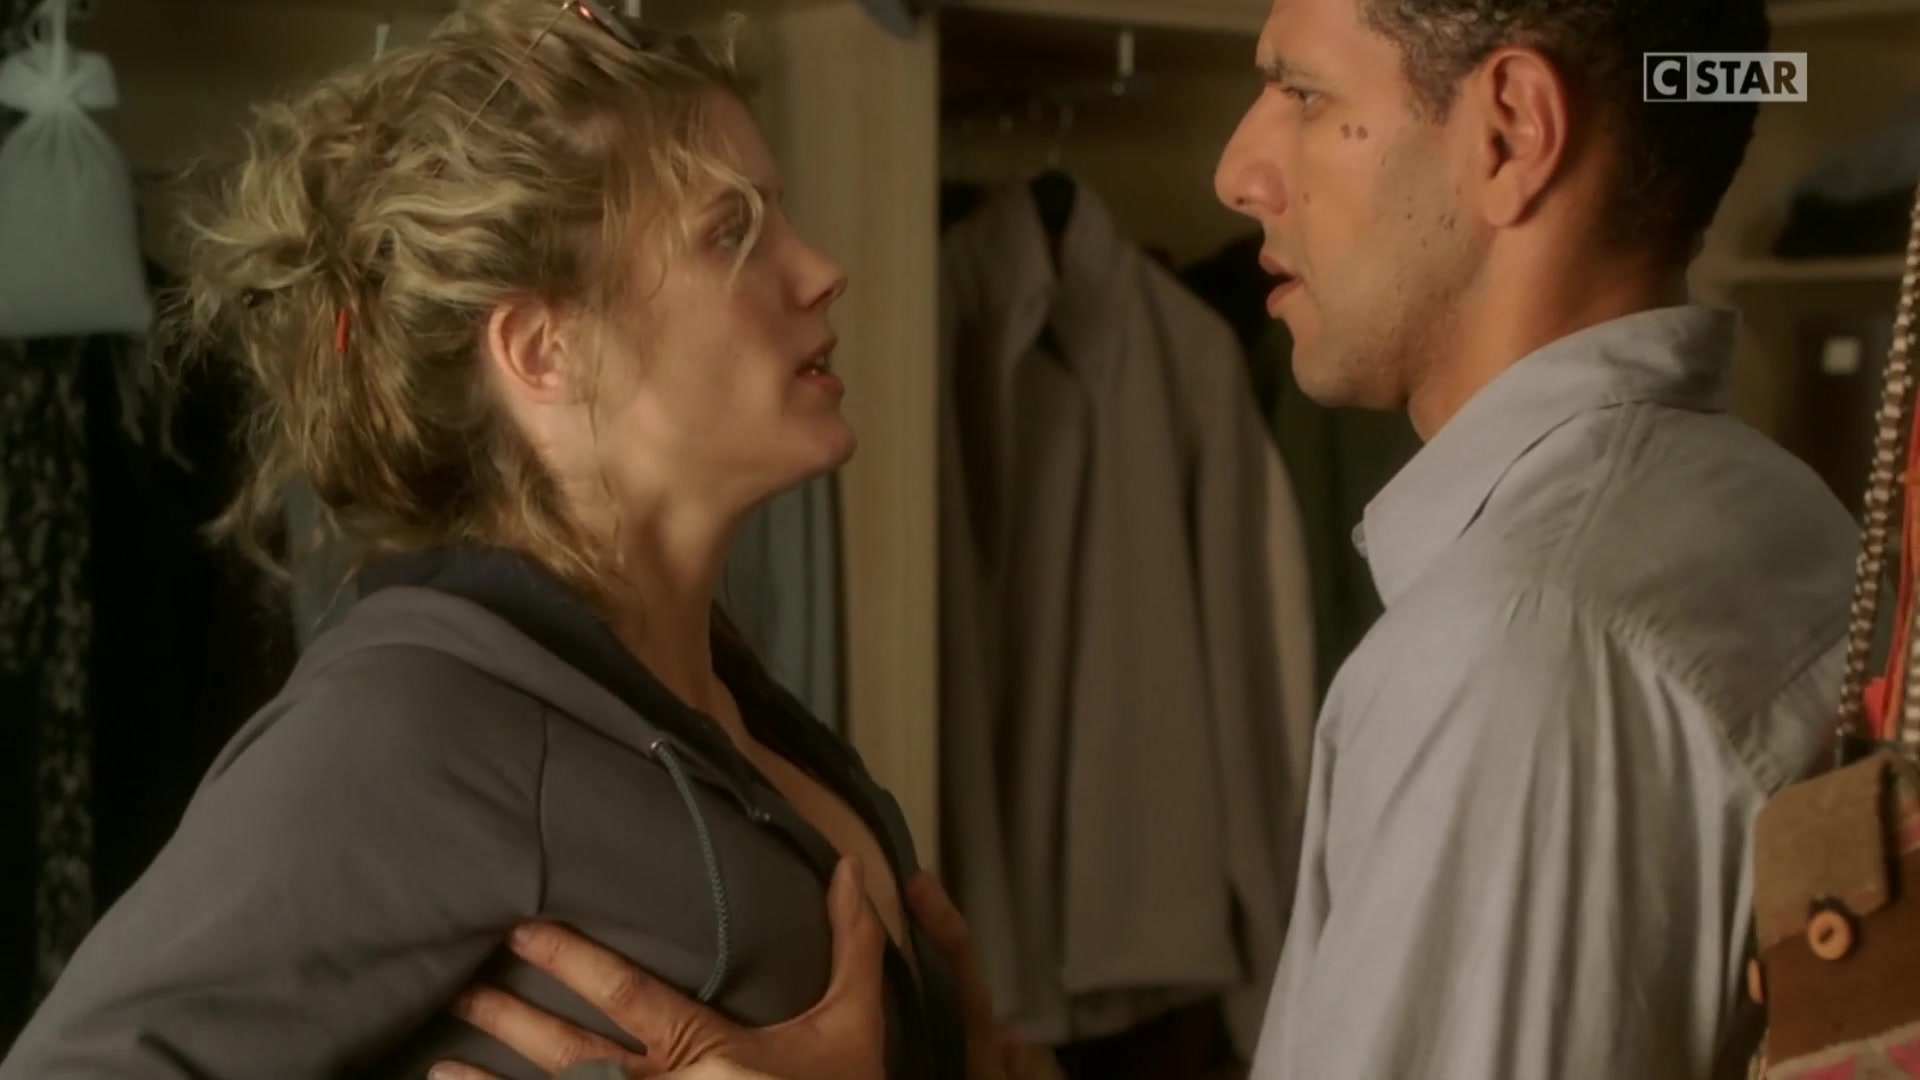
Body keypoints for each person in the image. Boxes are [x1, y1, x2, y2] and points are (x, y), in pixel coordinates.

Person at [434, 0, 1863, 1077]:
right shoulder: (1775, 513)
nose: (1239, 169)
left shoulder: (1522, 659)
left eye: (1303, 92)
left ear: (1510, 132)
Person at [0, 1, 1002, 1077]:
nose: (819, 269)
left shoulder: (711, 692)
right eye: (733, 232)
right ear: (542, 351)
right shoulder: (414, 724)